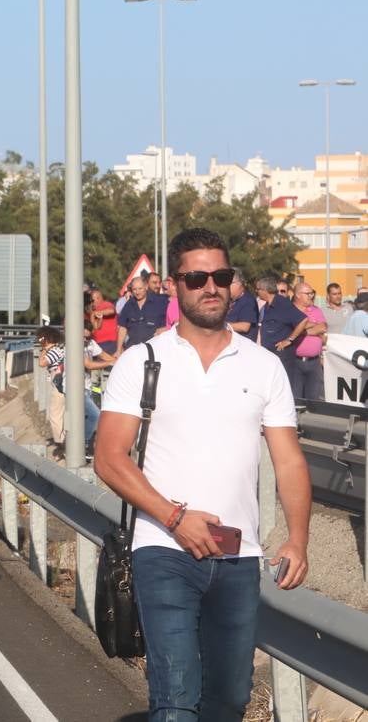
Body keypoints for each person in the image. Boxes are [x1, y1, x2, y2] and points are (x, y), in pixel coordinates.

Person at [95, 228, 311, 722]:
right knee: (175, 698)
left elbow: (290, 460)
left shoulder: (263, 366)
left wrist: (297, 538)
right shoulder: (142, 362)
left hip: (239, 556)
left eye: (221, 276)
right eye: (197, 277)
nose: (210, 286)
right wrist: (175, 518)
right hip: (164, 549)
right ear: (175, 285)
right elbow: (109, 457)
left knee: (229, 698)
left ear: (233, 283)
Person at [254, 275, 312, 386]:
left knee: (283, 386)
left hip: (282, 355)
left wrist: (289, 339)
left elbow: (303, 320)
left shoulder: (282, 303)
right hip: (270, 355)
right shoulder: (266, 305)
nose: (256, 292)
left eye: (258, 289)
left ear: (265, 290)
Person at [289, 282, 328, 401]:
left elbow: (323, 327)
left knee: (313, 400)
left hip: (314, 363)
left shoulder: (316, 310)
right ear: (297, 295)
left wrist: (303, 330)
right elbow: (291, 331)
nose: (311, 296)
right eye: (307, 293)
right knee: (296, 399)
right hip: (295, 362)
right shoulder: (290, 310)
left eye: (312, 293)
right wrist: (313, 327)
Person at [116, 275, 169, 352]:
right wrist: (118, 350)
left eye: (140, 289)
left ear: (146, 287)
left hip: (155, 349)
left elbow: (170, 322)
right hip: (133, 349)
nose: (137, 292)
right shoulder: (129, 305)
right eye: (134, 289)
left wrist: (164, 329)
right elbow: (123, 327)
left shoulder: (160, 302)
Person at [226, 268, 259, 341]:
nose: (226, 286)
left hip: (243, 347)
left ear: (239, 283)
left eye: (229, 283)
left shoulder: (248, 300)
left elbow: (244, 326)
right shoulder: (230, 300)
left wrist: (222, 326)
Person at [89, 286, 118, 356]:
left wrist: (99, 313)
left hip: (109, 342)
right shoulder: (93, 310)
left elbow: (111, 311)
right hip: (98, 343)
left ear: (98, 298)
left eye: (93, 300)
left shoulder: (106, 305)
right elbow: (95, 327)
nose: (92, 303)